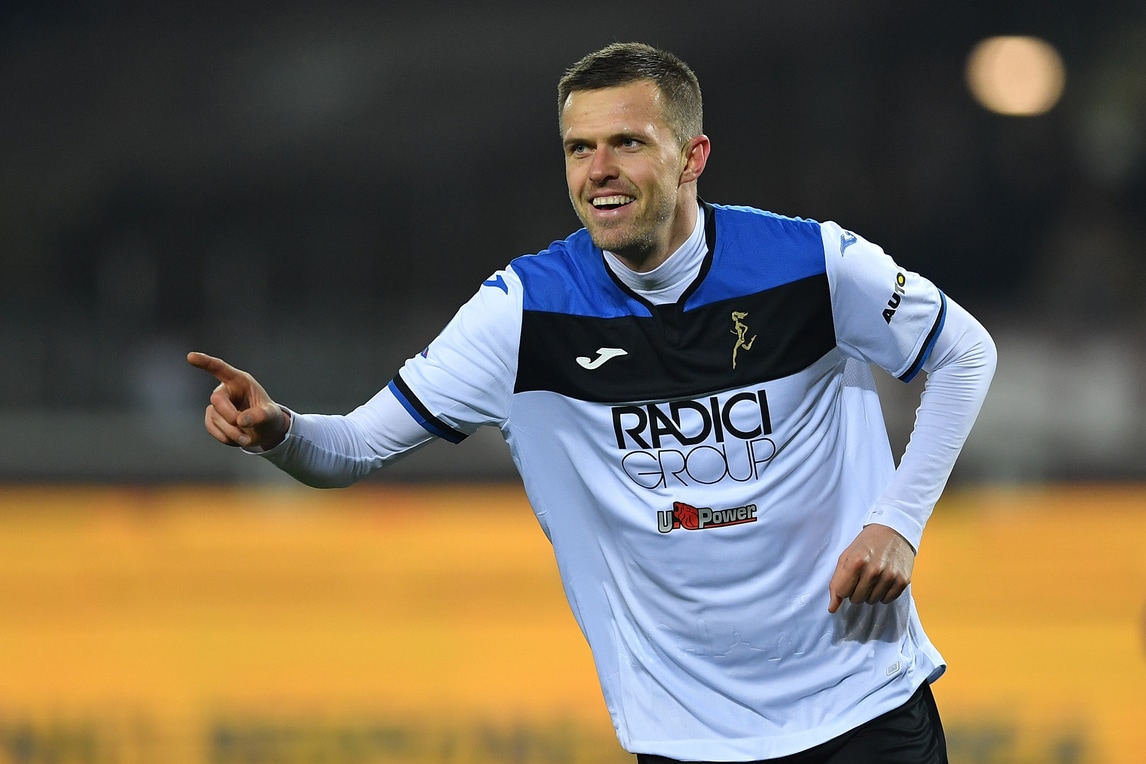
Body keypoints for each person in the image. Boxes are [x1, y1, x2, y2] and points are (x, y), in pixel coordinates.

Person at [189, 42, 996, 764]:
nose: (598, 169)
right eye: (580, 148)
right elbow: (353, 448)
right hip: (686, 738)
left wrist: (898, 522)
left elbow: (964, 351)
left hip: (866, 708)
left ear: (692, 157)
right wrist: (278, 430)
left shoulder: (810, 265)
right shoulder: (523, 313)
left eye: (627, 143)